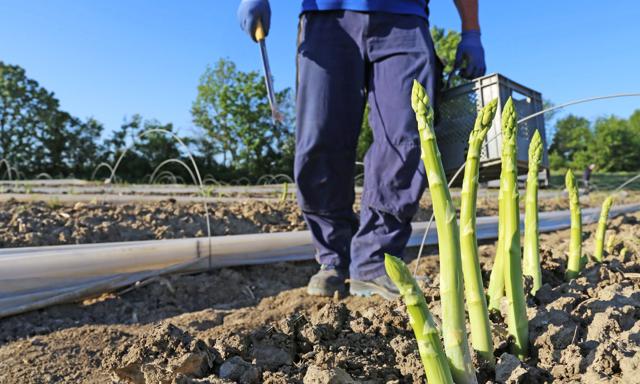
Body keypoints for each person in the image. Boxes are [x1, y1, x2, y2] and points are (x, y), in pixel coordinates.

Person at [237, 0, 486, 299]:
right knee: (319, 138)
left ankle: (375, 261)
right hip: (327, 16)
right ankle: (332, 258)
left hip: (405, 19)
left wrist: (472, 31)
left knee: (406, 136)